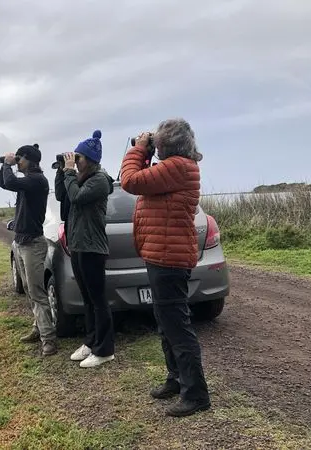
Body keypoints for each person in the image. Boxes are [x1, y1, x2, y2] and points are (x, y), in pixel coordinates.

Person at [119, 118, 210, 417]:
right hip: (162, 254)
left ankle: (196, 394)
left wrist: (138, 150)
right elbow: (142, 177)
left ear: (166, 143)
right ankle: (176, 379)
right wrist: (144, 152)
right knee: (165, 322)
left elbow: (130, 181)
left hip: (169, 257)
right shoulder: (173, 168)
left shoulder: (178, 167)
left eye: (157, 140)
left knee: (177, 327)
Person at [55, 130, 115, 368]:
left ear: (89, 160)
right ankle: (91, 342)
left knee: (99, 300)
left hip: (92, 248)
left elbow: (77, 198)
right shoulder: (80, 178)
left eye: (78, 158)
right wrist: (62, 172)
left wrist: (70, 173)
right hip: (79, 245)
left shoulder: (99, 181)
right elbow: (63, 195)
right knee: (88, 299)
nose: (75, 162)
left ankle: (105, 349)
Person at [0, 143, 57, 356]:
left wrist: (7, 163)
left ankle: (48, 338)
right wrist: (4, 165)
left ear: (29, 160)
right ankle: (38, 328)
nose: (17, 162)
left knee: (37, 292)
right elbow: (5, 183)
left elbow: (10, 181)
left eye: (19, 159)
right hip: (21, 242)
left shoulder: (37, 180)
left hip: (33, 244)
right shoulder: (28, 182)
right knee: (31, 291)